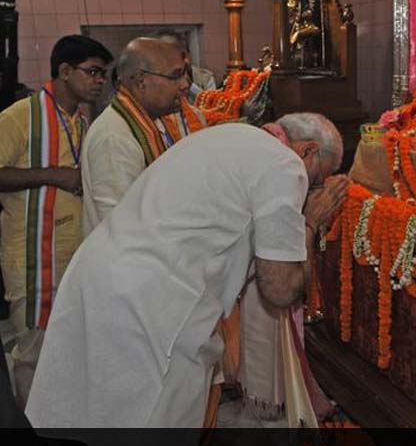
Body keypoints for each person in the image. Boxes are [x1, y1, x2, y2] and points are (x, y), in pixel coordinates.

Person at [25, 113, 350, 429]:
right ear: (307, 150)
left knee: (88, 415)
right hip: (152, 305)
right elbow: (279, 289)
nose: (313, 191)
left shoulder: (228, 135)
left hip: (98, 276)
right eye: (319, 180)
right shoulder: (285, 163)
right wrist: (308, 223)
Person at [0, 35, 112, 407]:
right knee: (34, 352)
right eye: (93, 72)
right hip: (33, 255)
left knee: (65, 347)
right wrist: (55, 175)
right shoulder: (22, 115)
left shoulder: (78, 120)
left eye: (103, 74)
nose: (99, 81)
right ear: (64, 72)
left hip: (71, 253)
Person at [80, 37, 190, 237]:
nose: (185, 84)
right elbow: (121, 225)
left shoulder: (154, 121)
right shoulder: (114, 137)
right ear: (141, 81)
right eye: (175, 76)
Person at [152, 29, 217, 103]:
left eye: (182, 54)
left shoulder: (206, 77)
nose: (184, 60)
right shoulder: (154, 80)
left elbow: (213, 104)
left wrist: (192, 87)